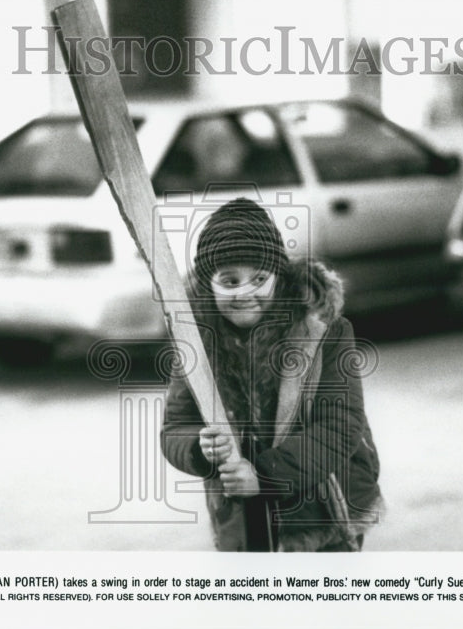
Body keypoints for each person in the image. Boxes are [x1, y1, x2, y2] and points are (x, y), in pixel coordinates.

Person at [160, 198, 383, 552]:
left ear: (279, 278)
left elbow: (341, 424)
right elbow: (174, 427)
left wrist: (262, 475)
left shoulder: (325, 330)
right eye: (229, 280)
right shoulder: (196, 340)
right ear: (208, 284)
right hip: (242, 517)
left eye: (259, 278)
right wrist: (199, 448)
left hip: (326, 508)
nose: (244, 292)